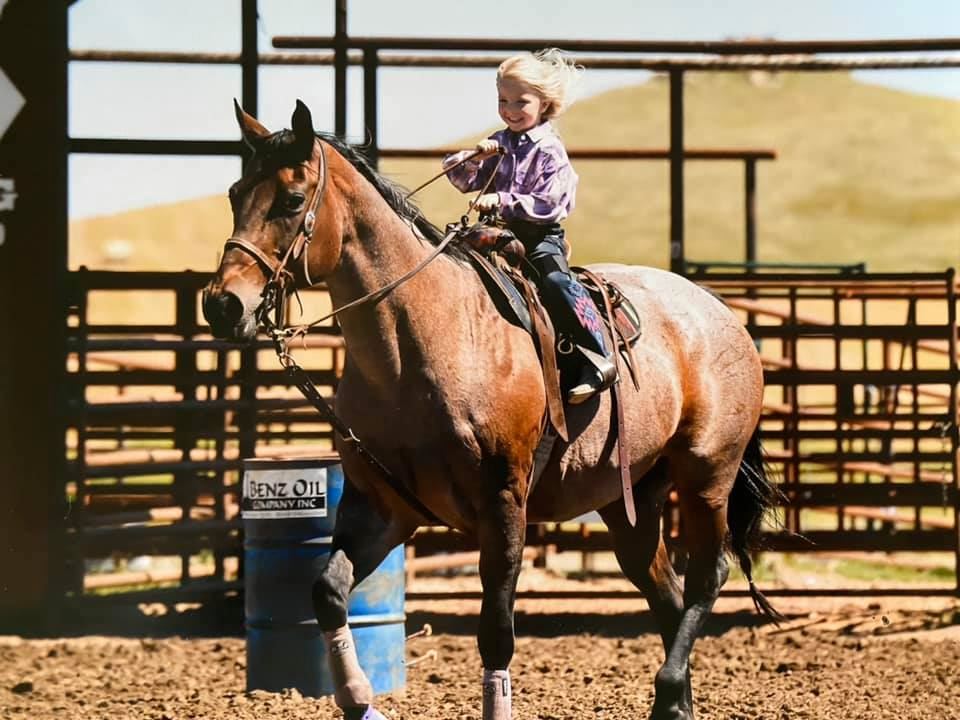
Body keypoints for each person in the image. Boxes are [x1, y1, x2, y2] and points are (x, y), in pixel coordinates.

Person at [442, 48, 617, 405]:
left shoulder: (550, 149)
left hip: (538, 238)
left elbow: (550, 202)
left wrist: (503, 200)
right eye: (503, 100)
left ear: (544, 103)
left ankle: (597, 353)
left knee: (555, 282)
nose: (509, 110)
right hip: (495, 237)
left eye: (520, 102)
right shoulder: (499, 141)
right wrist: (475, 157)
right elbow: (459, 178)